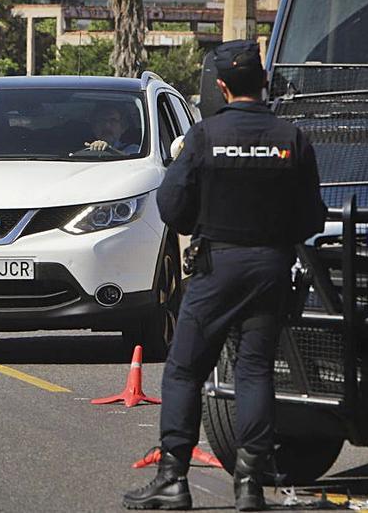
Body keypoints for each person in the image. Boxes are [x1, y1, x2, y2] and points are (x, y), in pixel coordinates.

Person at [123, 43, 325, 512]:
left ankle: (173, 478)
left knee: (185, 368)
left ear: (221, 86)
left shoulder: (204, 137)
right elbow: (312, 216)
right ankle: (250, 487)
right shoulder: (292, 139)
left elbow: (172, 208)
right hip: (271, 267)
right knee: (255, 370)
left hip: (218, 266)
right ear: (265, 83)